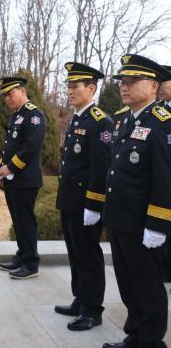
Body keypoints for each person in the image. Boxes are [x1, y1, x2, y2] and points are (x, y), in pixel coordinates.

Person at [102, 54, 171, 348]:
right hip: (121, 220)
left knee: (148, 288)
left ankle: (151, 342)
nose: (124, 86)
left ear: (154, 86)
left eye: (132, 81)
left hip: (144, 225)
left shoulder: (162, 124)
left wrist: (157, 224)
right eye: (122, 81)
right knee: (128, 286)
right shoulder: (125, 121)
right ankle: (135, 336)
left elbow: (166, 179)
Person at [54, 62, 112, 331]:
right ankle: (80, 298)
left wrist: (93, 205)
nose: (69, 90)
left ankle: (92, 309)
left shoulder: (101, 122)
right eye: (68, 85)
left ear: (91, 88)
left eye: (75, 86)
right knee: (75, 253)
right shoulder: (78, 117)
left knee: (88, 255)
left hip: (86, 204)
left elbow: (100, 170)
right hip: (70, 200)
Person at [0, 77, 46, 279]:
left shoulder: (34, 116)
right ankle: (22, 255)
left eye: (10, 93)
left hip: (26, 179)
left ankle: (31, 263)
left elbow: (30, 148)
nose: (7, 98)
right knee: (18, 220)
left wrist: (11, 167)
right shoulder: (17, 116)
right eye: (5, 95)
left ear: (22, 91)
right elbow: (10, 146)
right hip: (13, 178)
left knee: (26, 221)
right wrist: (1, 165)